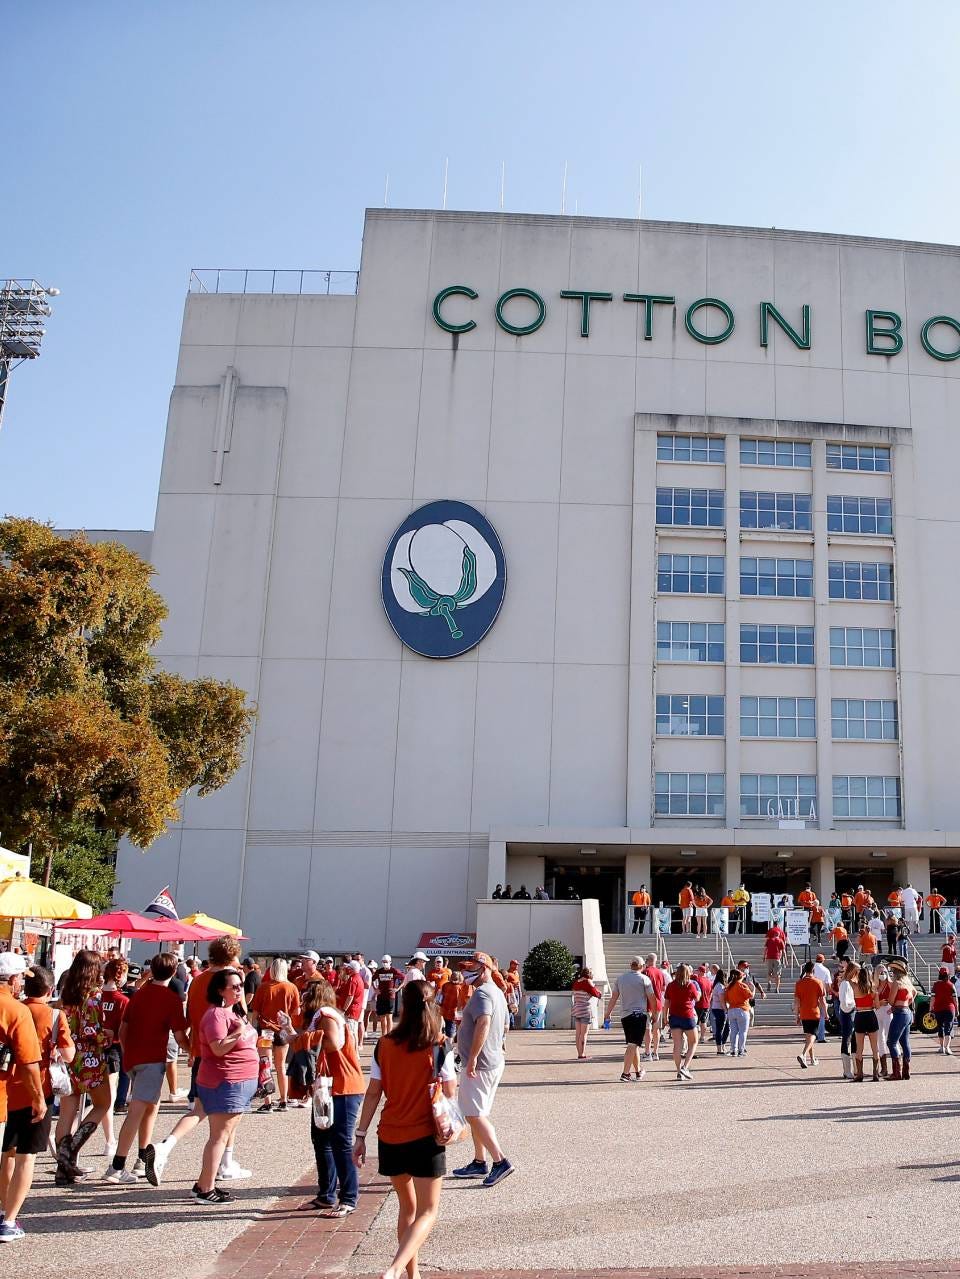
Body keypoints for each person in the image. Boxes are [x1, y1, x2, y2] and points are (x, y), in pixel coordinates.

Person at [352, 982, 456, 1279]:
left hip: (391, 1134)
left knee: (406, 1207)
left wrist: (360, 1136)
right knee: (427, 1211)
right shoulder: (439, 1044)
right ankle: (396, 1269)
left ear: (403, 1006)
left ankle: (413, 1274)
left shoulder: (384, 1044)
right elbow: (449, 1092)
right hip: (425, 1135)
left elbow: (373, 1093)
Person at [149, 967, 258, 1203]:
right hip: (225, 1080)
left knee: (218, 1129)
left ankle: (202, 1183)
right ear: (221, 990)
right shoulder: (217, 1015)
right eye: (235, 986)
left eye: (241, 985)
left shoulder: (235, 1011)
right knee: (219, 1136)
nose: (240, 989)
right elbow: (218, 1047)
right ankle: (206, 1188)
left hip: (238, 1081)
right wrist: (238, 1033)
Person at [276, 977, 365, 1215]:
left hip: (343, 1086)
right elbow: (309, 1042)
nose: (303, 1000)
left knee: (340, 1143)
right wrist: (290, 1030)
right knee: (322, 1140)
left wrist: (300, 1037)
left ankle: (349, 1197)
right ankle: (326, 1195)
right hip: (327, 1086)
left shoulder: (326, 1016)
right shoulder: (321, 1018)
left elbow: (332, 1044)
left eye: (307, 995)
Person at [105, 952, 189, 1185]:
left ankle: (142, 1157)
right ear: (173, 973)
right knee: (137, 1110)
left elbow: (123, 1029)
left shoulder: (138, 995)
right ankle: (117, 1165)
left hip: (133, 1057)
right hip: (153, 1058)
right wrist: (193, 1052)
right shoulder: (170, 998)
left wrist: (127, 1051)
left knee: (151, 1105)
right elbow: (180, 1036)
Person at [0, 959, 52, 1241]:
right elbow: (29, 1062)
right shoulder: (15, 1010)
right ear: (12, 979)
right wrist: (39, 1099)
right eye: (19, 977)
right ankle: (8, 1220)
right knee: (22, 1157)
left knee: (6, 1156)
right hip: (5, 1095)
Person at [54, 949, 115, 1186]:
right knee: (103, 1104)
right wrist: (107, 1038)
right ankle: (71, 1153)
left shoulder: (66, 994)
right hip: (90, 1060)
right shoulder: (94, 997)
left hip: (68, 1058)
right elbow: (91, 1031)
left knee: (67, 1113)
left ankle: (63, 1167)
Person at [452, 951, 513, 1186]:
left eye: (472, 967)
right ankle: (480, 1161)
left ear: (484, 968)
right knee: (478, 1112)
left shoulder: (483, 994)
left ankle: (500, 1161)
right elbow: (505, 1025)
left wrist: (474, 1057)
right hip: (492, 1060)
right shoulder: (496, 992)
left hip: (481, 1063)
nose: (467, 972)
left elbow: (484, 1022)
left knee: (473, 1113)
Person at [249, 958, 301, 1113]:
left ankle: (268, 1102)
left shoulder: (264, 988)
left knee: (265, 1065)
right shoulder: (291, 987)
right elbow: (296, 1011)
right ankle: (284, 1100)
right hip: (283, 1030)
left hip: (266, 1030)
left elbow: (255, 1012)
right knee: (281, 1066)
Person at [98, 957, 129, 1163]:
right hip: (114, 1049)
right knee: (107, 1097)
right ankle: (110, 1141)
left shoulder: (95, 997)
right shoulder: (123, 1000)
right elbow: (123, 1030)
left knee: (93, 1095)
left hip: (93, 1048)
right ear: (121, 975)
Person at [604, 957, 651, 1082]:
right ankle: (625, 1073)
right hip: (639, 1015)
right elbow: (652, 997)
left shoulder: (621, 979)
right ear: (642, 966)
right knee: (632, 1044)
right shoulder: (644, 979)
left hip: (625, 1016)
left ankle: (638, 1071)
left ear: (630, 965)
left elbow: (614, 998)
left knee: (633, 1044)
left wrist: (608, 1013)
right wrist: (656, 1012)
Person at [664, 963, 700, 1081]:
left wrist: (665, 1017)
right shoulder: (690, 985)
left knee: (677, 1045)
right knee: (693, 1041)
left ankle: (679, 1070)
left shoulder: (671, 985)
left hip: (674, 1016)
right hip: (687, 1015)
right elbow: (697, 998)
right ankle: (685, 1067)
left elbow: (667, 1002)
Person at [794, 961, 827, 1070]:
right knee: (813, 1035)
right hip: (814, 1012)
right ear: (813, 970)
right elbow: (822, 1000)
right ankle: (803, 1055)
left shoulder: (799, 983)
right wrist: (825, 1013)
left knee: (808, 1035)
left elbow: (797, 1001)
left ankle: (812, 1059)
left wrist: (797, 1015)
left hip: (804, 1012)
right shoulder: (818, 982)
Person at [886, 959, 916, 1080]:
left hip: (900, 1013)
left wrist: (893, 1006)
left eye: (893, 970)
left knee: (891, 1042)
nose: (892, 972)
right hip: (907, 1012)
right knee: (905, 1042)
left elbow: (890, 1001)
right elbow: (914, 993)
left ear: (896, 971)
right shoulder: (908, 982)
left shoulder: (896, 983)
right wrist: (908, 1002)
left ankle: (896, 1072)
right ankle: (906, 1071)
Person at [852, 963, 881, 1083]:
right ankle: (876, 1074)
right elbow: (877, 1006)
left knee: (859, 1048)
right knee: (875, 1047)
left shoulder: (855, 988)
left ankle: (859, 1074)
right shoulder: (873, 989)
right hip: (870, 1014)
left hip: (859, 1015)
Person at [572, 967, 602, 1061]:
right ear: (589, 974)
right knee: (584, 1034)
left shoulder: (576, 982)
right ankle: (582, 1055)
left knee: (578, 1033)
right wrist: (595, 988)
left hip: (576, 1009)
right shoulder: (587, 982)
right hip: (585, 1010)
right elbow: (597, 995)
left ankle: (579, 1053)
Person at [723, 969, 753, 1057]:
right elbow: (750, 995)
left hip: (732, 1009)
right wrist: (753, 989)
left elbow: (726, 999)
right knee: (743, 1032)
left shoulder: (729, 986)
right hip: (742, 1009)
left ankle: (733, 1049)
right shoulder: (742, 985)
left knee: (733, 1031)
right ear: (741, 976)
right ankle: (741, 1050)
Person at [337, 961, 366, 1048]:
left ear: (352, 969)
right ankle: (355, 1052)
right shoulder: (358, 978)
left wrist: (344, 1010)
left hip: (351, 1010)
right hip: (355, 1009)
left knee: (351, 1032)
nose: (347, 969)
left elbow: (350, 996)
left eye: (349, 968)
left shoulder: (353, 979)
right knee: (353, 1031)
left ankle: (353, 1052)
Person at [642, 951, 666, 1061]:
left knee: (648, 1029)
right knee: (656, 1029)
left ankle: (647, 1053)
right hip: (658, 1003)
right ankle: (656, 1053)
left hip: (647, 1003)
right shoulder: (661, 973)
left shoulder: (645, 972)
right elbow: (663, 988)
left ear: (648, 960)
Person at [837, 961, 857, 1081]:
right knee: (847, 1038)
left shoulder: (852, 983)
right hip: (848, 1012)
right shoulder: (845, 983)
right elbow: (844, 1003)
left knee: (854, 1039)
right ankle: (847, 1070)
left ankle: (855, 1068)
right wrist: (854, 1004)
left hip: (853, 1012)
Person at [374, 957, 404, 1035]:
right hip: (381, 997)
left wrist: (397, 988)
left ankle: (389, 1034)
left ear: (390, 962)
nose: (385, 963)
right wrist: (375, 989)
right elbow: (372, 979)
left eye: (386, 961)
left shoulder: (394, 970)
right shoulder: (379, 971)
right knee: (382, 1018)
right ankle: (384, 1034)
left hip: (390, 996)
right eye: (383, 961)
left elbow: (404, 978)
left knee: (389, 1016)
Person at [932, 967, 957, 1054]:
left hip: (938, 1009)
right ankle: (947, 1047)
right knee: (948, 1029)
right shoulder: (951, 985)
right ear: (948, 975)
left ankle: (942, 1047)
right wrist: (957, 1009)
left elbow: (932, 998)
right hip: (950, 1009)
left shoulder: (935, 985)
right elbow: (955, 999)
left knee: (940, 1028)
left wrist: (931, 1009)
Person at [438, 970, 469, 1039]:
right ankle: (449, 1046)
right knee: (451, 1032)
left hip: (443, 1011)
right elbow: (460, 1003)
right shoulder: (461, 988)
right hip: (453, 1013)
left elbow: (440, 998)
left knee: (443, 1030)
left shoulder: (445, 985)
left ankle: (443, 1044)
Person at [812, 953, 832, 1043]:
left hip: (811, 995)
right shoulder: (825, 970)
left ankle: (812, 1034)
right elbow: (828, 985)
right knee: (822, 1016)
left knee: (812, 1016)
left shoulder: (811, 969)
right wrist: (829, 994)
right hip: (821, 994)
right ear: (823, 960)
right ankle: (821, 1036)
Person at [708, 969, 729, 1054]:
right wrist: (725, 1010)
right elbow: (721, 999)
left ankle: (722, 1046)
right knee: (721, 1028)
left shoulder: (717, 985)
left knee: (726, 1028)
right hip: (720, 1009)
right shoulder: (720, 986)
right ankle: (719, 1048)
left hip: (717, 1008)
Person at [763, 922, 786, 993]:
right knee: (778, 974)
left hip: (769, 957)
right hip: (777, 958)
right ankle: (777, 988)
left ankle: (769, 982)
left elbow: (765, 949)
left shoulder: (769, 939)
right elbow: (783, 951)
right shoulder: (780, 940)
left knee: (769, 972)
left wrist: (764, 957)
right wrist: (785, 960)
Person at [502, 960, 522, 1030]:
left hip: (516, 992)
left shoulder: (516, 973)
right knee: (511, 1008)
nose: (517, 966)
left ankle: (511, 1023)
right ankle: (511, 1024)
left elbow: (518, 983)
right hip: (511, 992)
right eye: (515, 964)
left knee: (514, 1008)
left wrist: (520, 994)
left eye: (517, 965)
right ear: (511, 965)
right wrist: (513, 986)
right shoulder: (508, 973)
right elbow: (506, 984)